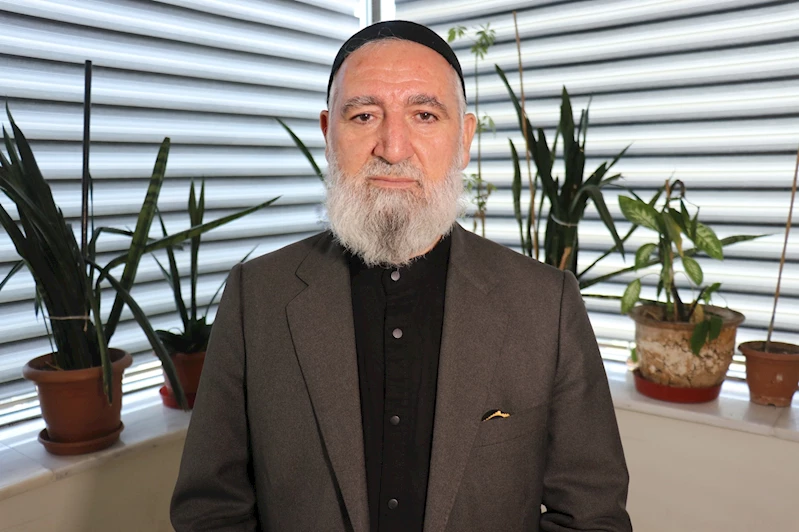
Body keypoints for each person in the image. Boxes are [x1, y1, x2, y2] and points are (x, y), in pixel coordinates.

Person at [171, 20, 632, 532]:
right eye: (364, 115)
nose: (392, 148)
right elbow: (211, 511)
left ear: (464, 139)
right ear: (328, 135)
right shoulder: (256, 297)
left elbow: (592, 518)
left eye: (425, 115)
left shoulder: (547, 304)